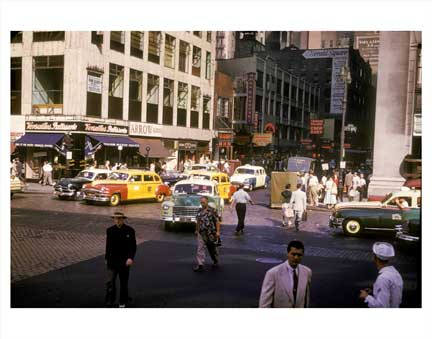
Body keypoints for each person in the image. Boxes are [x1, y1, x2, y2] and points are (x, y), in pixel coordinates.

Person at [259, 240, 312, 308]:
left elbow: (306, 298)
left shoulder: (307, 272)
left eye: (299, 255)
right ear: (288, 253)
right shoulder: (273, 273)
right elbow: (264, 303)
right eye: (293, 254)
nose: (296, 257)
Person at [105, 212, 137, 308]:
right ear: (113, 219)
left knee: (123, 283)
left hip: (125, 261)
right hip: (112, 261)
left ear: (123, 219)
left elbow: (133, 246)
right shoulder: (109, 230)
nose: (117, 220)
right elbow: (108, 246)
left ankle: (122, 301)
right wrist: (106, 258)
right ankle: (110, 301)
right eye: (115, 218)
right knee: (110, 282)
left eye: (119, 218)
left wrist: (130, 258)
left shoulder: (130, 230)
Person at [359, 242, 403, 308]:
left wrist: (366, 296)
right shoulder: (395, 273)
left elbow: (381, 306)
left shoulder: (383, 278)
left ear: (375, 258)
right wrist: (375, 291)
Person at [193, 196, 221, 272]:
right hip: (201, 232)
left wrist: (218, 232)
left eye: (203, 202)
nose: (202, 204)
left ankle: (215, 259)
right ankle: (200, 264)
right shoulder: (199, 211)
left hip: (211, 233)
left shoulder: (212, 211)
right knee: (200, 248)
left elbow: (217, 221)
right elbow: (198, 221)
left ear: (207, 202)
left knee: (212, 248)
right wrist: (197, 230)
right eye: (201, 202)